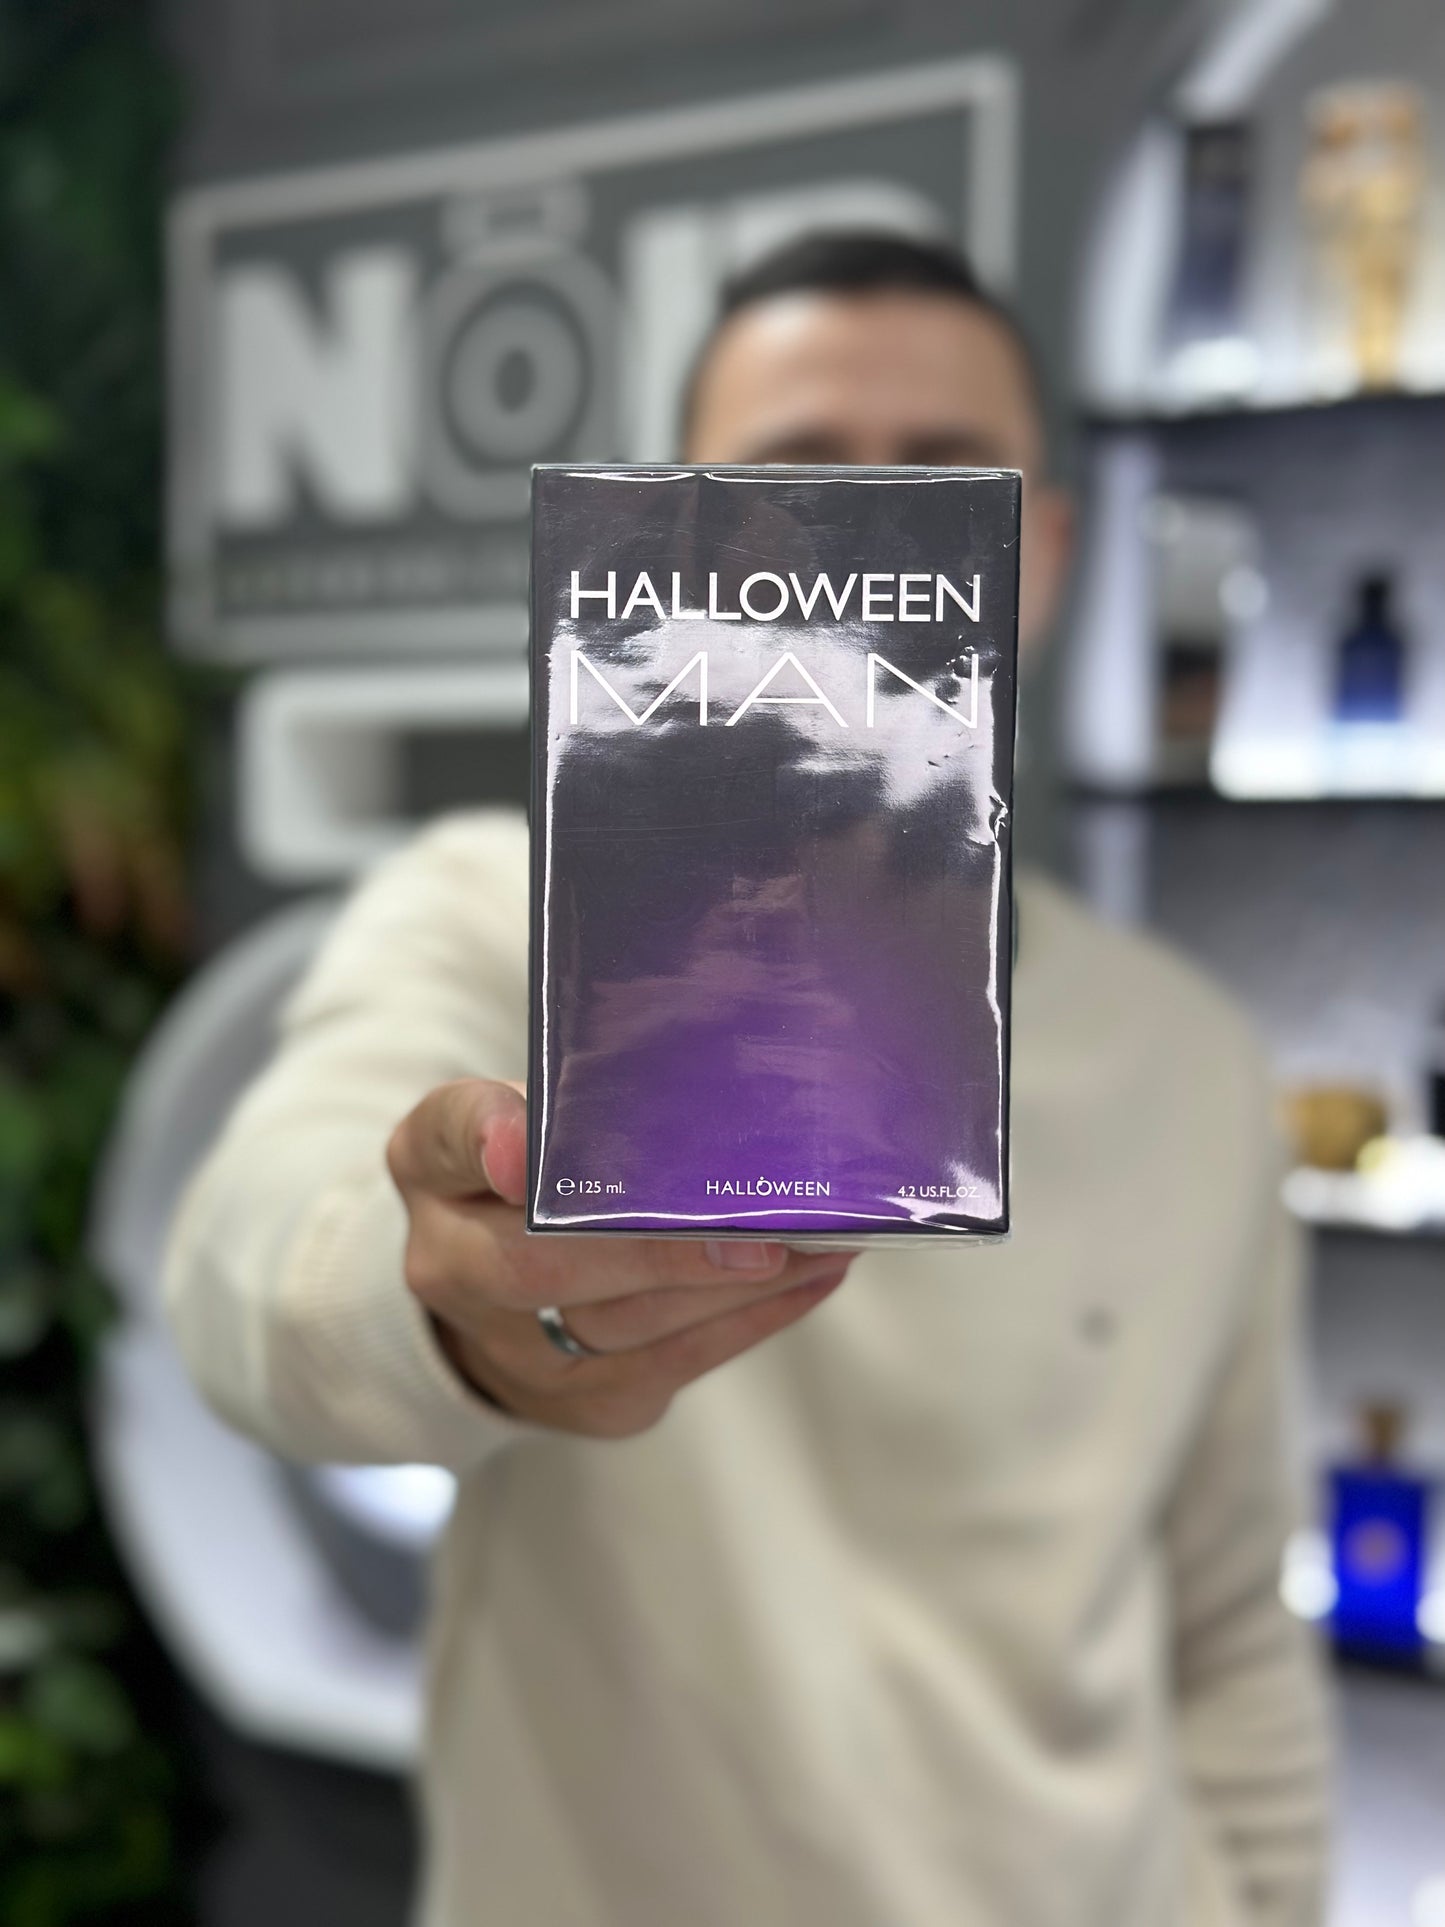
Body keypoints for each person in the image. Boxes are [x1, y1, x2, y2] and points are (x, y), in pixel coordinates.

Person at [164, 230, 1331, 1927]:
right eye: (794, 474)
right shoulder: (496, 916)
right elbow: (249, 1256)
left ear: (1047, 550)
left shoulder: (1190, 1061)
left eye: (942, 474)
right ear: (681, 533)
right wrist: (444, 1308)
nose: (863, 536)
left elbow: (1229, 1626)